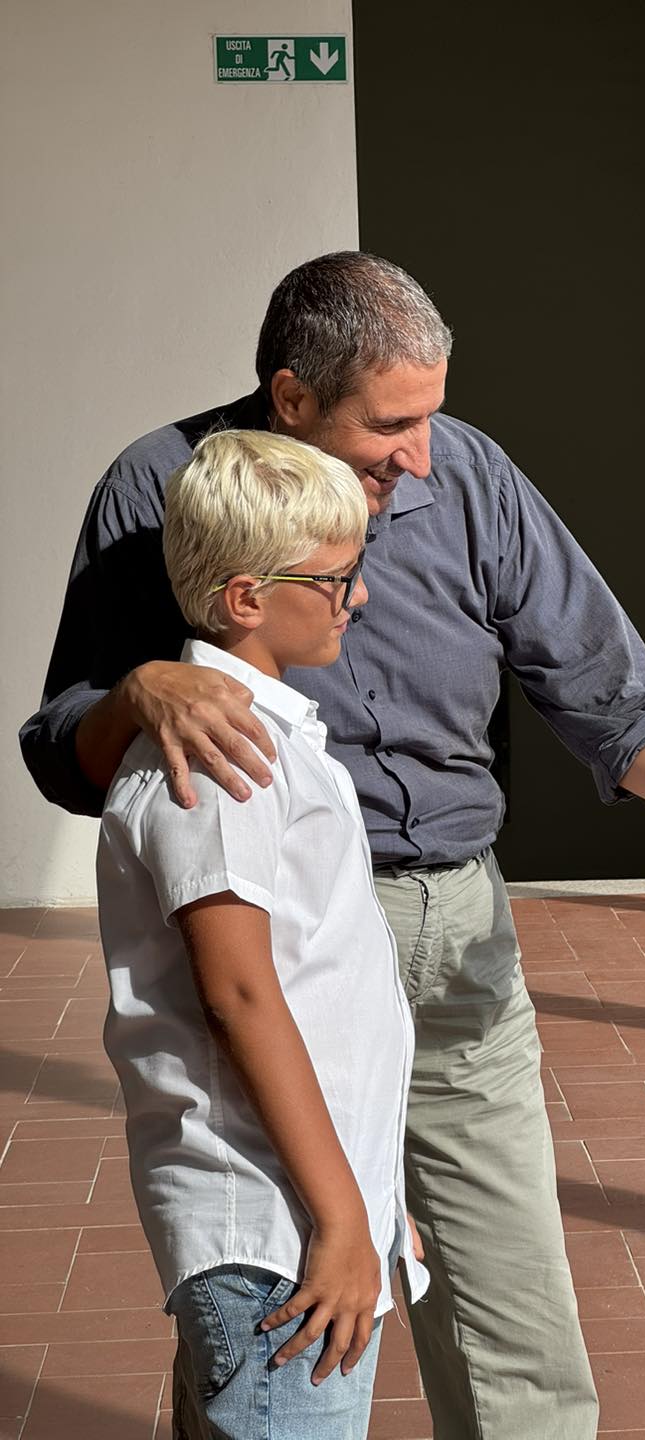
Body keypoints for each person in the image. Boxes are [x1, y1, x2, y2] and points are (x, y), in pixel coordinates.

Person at [22, 252, 645, 1440]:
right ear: (290, 398)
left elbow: (600, 688)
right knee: (277, 1311)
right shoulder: (168, 484)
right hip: (289, 940)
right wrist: (140, 693)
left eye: (432, 415)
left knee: (517, 1324)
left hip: (459, 936)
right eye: (390, 424)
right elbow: (63, 745)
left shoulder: (471, 471)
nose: (422, 456)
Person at [97, 428, 428, 1438]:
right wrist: (338, 1220)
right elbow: (239, 994)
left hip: (306, 1222)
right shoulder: (223, 759)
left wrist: (369, 1196)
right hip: (272, 1248)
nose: (359, 598)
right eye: (337, 578)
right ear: (246, 598)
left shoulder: (267, 735)